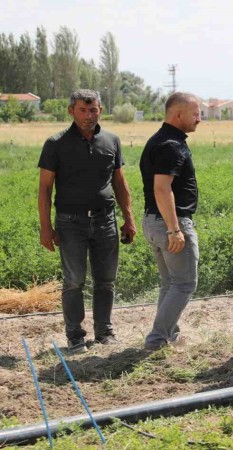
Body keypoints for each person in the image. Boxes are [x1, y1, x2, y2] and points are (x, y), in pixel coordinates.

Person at [38, 89, 136, 353]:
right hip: (71, 223)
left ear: (100, 110)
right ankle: (75, 337)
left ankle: (104, 332)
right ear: (71, 111)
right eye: (82, 110)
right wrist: (46, 227)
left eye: (93, 110)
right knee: (74, 281)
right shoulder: (55, 143)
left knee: (106, 281)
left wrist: (129, 219)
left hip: (106, 221)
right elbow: (45, 188)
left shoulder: (111, 140)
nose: (88, 115)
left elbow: (119, 182)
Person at [139, 92, 202, 351]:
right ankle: (156, 340)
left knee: (171, 283)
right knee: (185, 283)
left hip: (155, 221)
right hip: (169, 223)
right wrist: (175, 229)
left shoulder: (162, 140)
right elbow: (162, 189)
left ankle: (170, 335)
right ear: (178, 115)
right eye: (195, 114)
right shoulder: (171, 145)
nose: (200, 118)